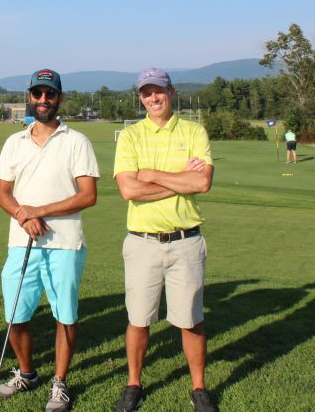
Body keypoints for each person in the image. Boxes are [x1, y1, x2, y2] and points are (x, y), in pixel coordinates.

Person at [0, 69, 99, 412]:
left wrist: (40, 210)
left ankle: (60, 382)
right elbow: (2, 192)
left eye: (49, 94)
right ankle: (27, 373)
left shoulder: (76, 141)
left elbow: (87, 195)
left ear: (59, 99)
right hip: (21, 243)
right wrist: (24, 214)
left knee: (64, 316)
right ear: (30, 97)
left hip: (64, 244)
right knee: (15, 315)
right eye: (37, 94)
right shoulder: (15, 141)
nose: (42, 100)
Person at [113, 68, 217, 412]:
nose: (153, 98)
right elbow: (129, 189)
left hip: (186, 240)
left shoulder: (194, 130)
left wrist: (153, 175)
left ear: (171, 92)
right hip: (142, 242)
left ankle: (199, 387)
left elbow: (202, 184)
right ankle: (133, 383)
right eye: (146, 93)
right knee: (139, 319)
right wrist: (180, 178)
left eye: (158, 91)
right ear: (140, 97)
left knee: (191, 318)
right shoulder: (130, 136)